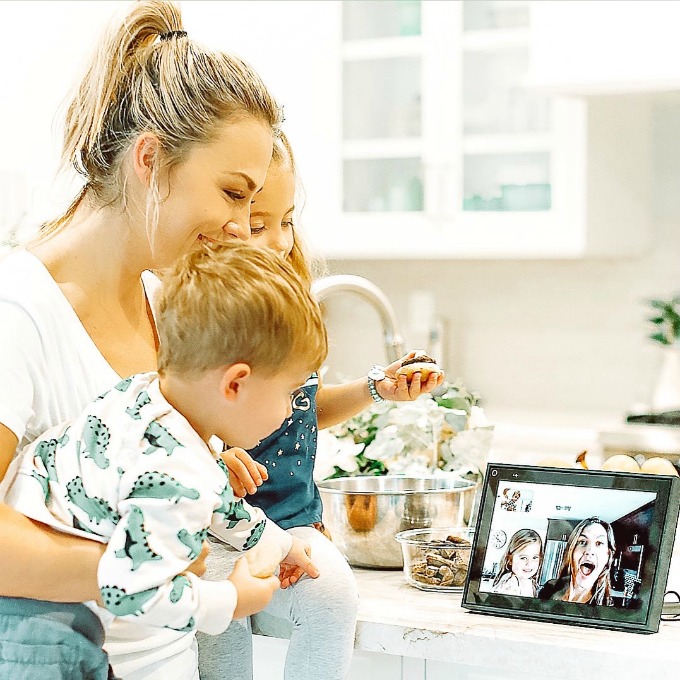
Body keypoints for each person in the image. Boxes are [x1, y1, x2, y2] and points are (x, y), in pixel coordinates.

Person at [0, 1, 285, 677]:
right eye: (232, 192)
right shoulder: (20, 311)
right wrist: (140, 566)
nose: (244, 225)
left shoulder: (169, 304)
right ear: (151, 159)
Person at [2, 243, 326, 679]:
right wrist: (231, 600)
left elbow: (217, 500)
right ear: (235, 384)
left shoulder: (143, 397)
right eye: (290, 392)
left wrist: (279, 544)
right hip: (42, 641)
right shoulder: (178, 474)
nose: (292, 411)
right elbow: (130, 589)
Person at [197, 131, 446, 680]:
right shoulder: (202, 322)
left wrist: (375, 389)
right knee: (219, 614)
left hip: (293, 520)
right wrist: (212, 458)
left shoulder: (288, 308)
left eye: (287, 221)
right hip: (213, 530)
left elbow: (301, 410)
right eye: (260, 224)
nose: (280, 241)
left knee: (331, 596)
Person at [538, 517, 616, 606]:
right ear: (572, 551)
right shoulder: (549, 588)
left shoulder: (607, 609)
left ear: (608, 556)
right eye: (582, 542)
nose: (590, 551)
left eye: (599, 543)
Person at [491, 529, 543, 597]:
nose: (529, 563)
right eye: (523, 558)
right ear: (510, 560)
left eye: (534, 557)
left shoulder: (529, 582)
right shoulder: (509, 586)